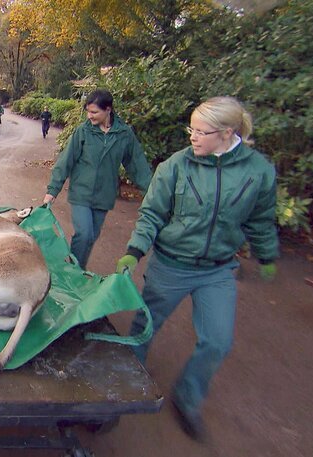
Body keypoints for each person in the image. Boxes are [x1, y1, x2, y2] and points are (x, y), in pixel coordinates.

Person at [115, 96, 279, 441]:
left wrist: (267, 255)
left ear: (227, 133)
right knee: (144, 326)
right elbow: (153, 214)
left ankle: (188, 398)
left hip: (218, 270)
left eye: (201, 132)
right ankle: (119, 390)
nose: (192, 137)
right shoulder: (176, 166)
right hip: (171, 263)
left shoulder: (258, 171)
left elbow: (261, 219)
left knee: (218, 341)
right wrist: (135, 249)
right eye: (191, 128)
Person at [43, 89, 152, 271]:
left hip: (104, 196)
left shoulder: (124, 134)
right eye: (88, 111)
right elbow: (66, 160)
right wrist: (52, 190)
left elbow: (137, 166)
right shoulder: (83, 132)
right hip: (81, 193)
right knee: (84, 234)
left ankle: (77, 267)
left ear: (108, 110)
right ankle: (74, 272)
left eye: (94, 112)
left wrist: (153, 193)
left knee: (92, 236)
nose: (89, 116)